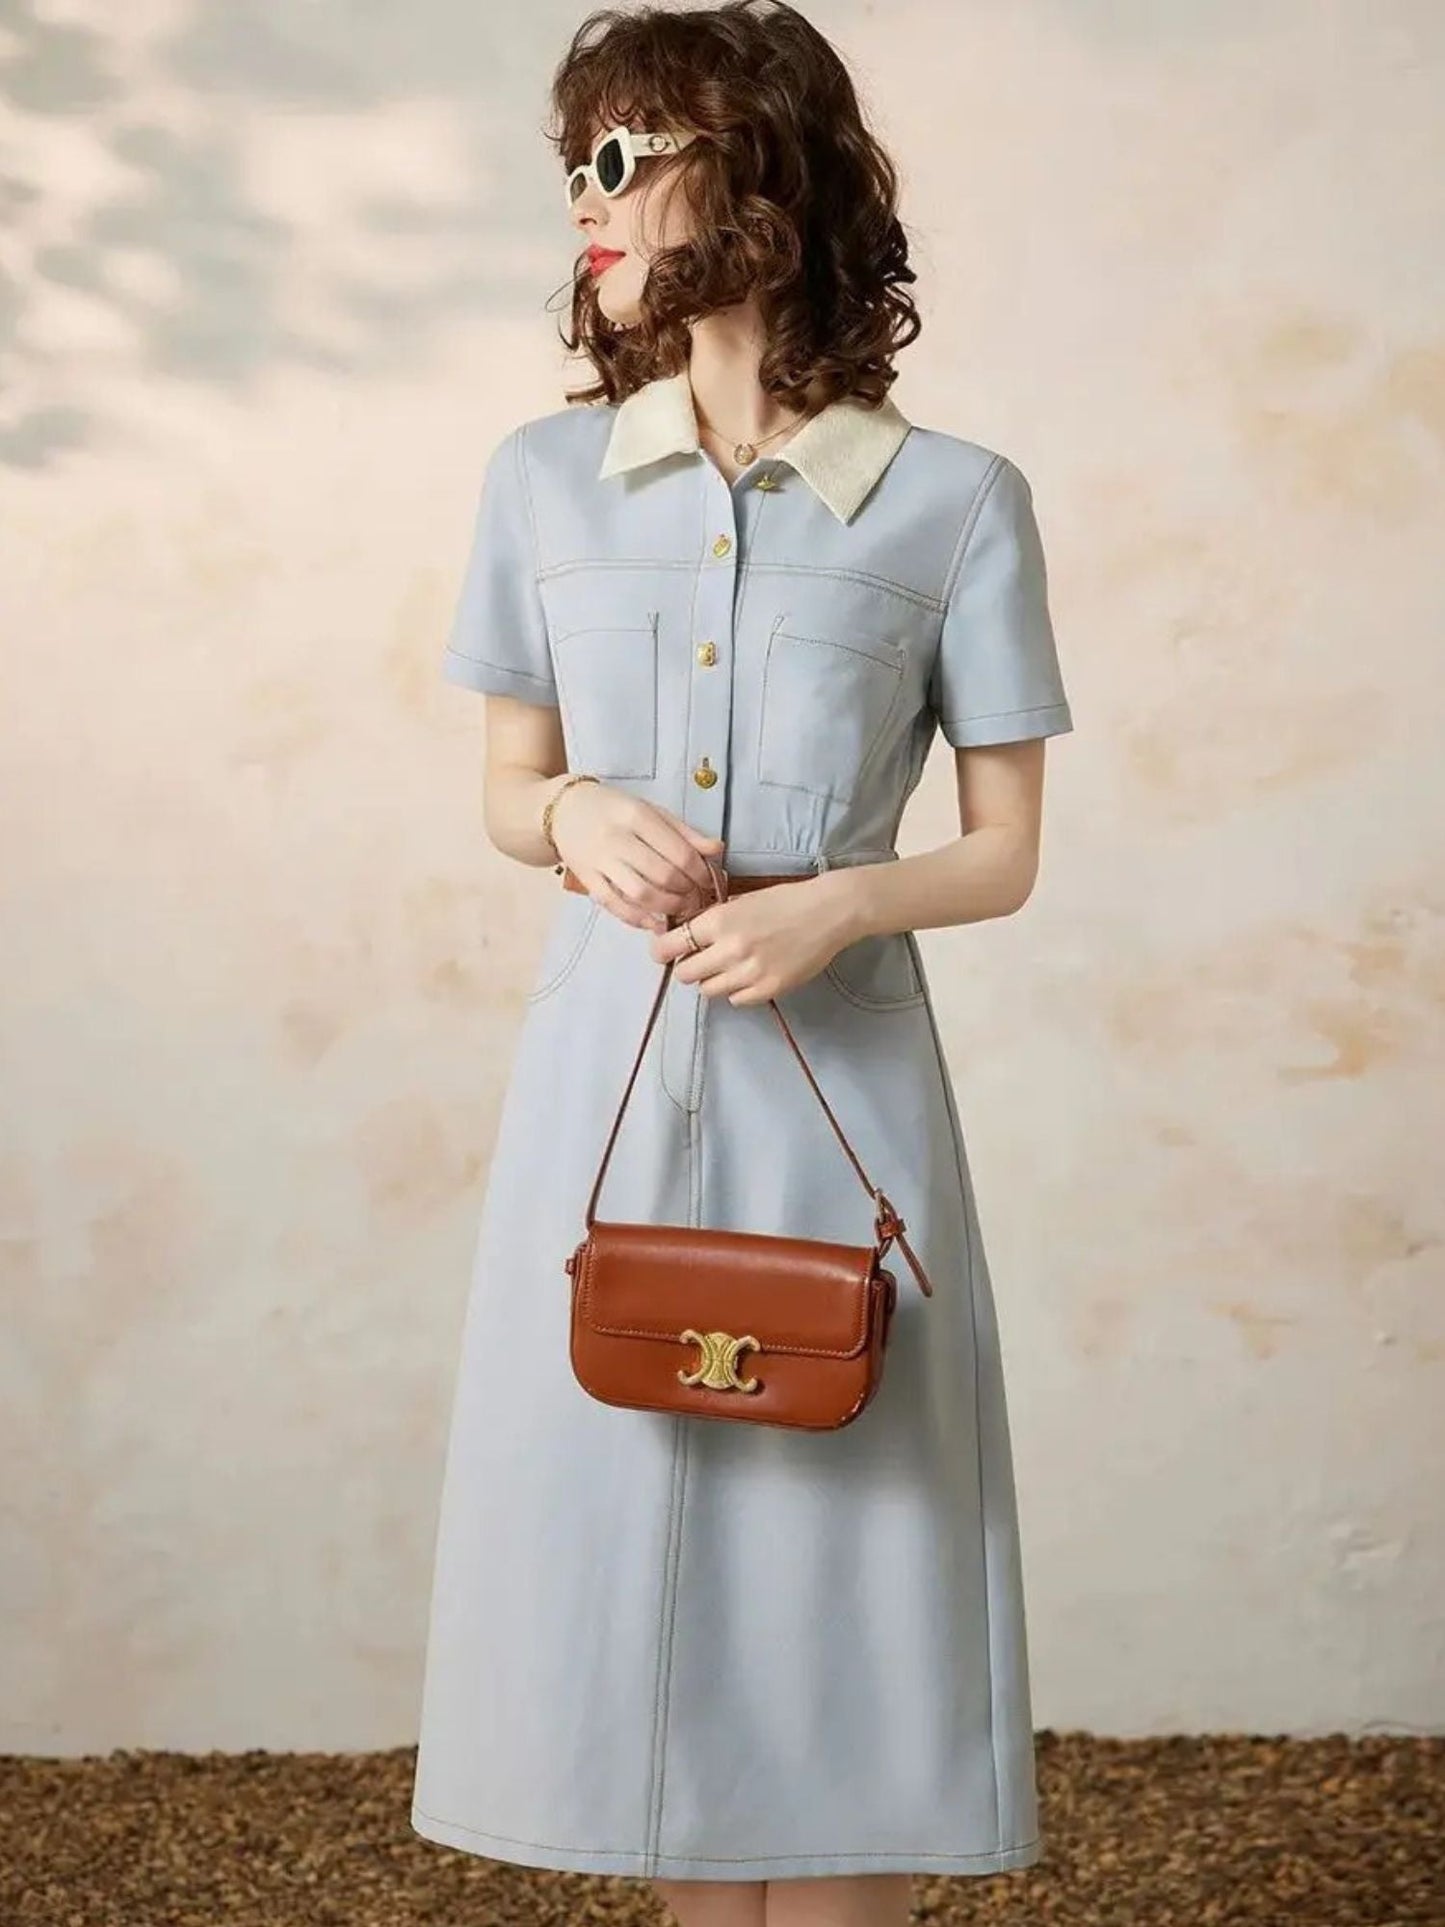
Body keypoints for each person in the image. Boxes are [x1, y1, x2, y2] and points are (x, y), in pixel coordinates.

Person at [410, 4, 1074, 1924]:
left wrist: (838, 902)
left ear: (758, 176)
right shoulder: (542, 483)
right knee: (642, 1586)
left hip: (837, 1094)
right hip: (604, 1084)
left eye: (624, 156)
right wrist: (573, 818)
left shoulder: (953, 505)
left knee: (838, 1582)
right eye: (577, 164)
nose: (586, 203)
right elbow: (508, 791)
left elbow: (1008, 852)